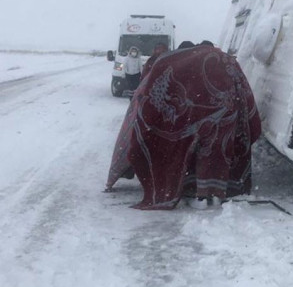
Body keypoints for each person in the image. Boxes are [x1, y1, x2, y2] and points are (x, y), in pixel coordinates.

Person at [105, 43, 261, 210]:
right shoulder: (225, 61)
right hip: (226, 110)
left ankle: (199, 191)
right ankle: (215, 190)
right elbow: (244, 94)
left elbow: (149, 102)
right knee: (216, 148)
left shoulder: (172, 63)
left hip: (195, 113)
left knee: (194, 147)